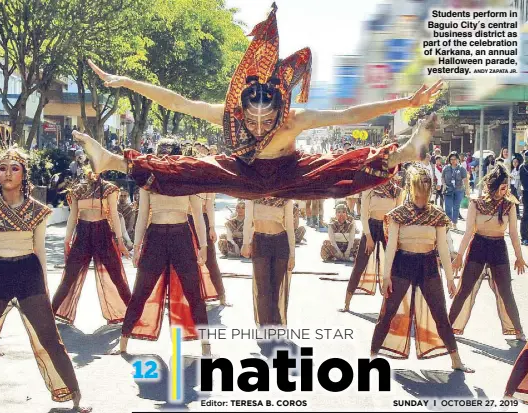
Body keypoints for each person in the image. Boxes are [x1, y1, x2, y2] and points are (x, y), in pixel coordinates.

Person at [73, 4, 442, 201]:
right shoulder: (228, 114)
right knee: (188, 168)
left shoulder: (295, 120)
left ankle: (402, 154)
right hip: (242, 171)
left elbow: (349, 114)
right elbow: (178, 102)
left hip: (291, 172)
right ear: (241, 111)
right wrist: (126, 82)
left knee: (336, 168)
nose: (261, 126)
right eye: (254, 121)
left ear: (280, 110)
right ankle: (112, 161)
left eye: (269, 120)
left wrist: (406, 100)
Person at [0, 148, 91, 412]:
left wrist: (45, 285)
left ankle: (76, 395)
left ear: (24, 174)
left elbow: (40, 250)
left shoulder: (37, 210)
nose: (8, 173)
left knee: (50, 338)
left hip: (29, 274)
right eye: (3, 168)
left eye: (15, 168)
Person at [111, 140, 211, 356]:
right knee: (141, 290)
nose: (165, 160)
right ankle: (123, 341)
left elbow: (198, 215)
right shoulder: (148, 181)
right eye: (161, 156)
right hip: (155, 237)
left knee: (193, 290)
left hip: (181, 236)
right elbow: (142, 216)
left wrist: (203, 246)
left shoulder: (188, 180)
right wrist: (137, 246)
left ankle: (206, 345)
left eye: (169, 156)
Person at [370, 166, 473, 372]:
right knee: (388, 312)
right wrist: (386, 275)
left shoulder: (437, 215)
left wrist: (450, 279)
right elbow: (391, 247)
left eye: (426, 194)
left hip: (428, 266)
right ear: (411, 189)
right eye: (419, 194)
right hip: (402, 264)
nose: (422, 199)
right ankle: (373, 356)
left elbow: (443, 248)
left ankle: (455, 359)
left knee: (440, 314)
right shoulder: (398, 215)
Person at [450, 164, 526, 341]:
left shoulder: (510, 205)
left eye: (507, 187)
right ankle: (448, 325)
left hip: (498, 247)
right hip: (478, 246)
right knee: (465, 289)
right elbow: (469, 231)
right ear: (493, 185)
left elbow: (514, 233)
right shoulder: (476, 203)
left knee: (506, 290)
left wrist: (519, 257)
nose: (505, 190)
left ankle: (518, 330)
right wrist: (459, 256)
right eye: (502, 187)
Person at [51, 169, 132, 325]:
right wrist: (66, 240)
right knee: (69, 276)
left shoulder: (109, 189)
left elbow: (114, 215)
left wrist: (120, 241)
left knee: (116, 276)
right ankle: (50, 313)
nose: (92, 172)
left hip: (103, 232)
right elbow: (73, 216)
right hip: (82, 233)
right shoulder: (77, 189)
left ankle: (133, 314)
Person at [342, 176, 403, 312]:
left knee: (394, 266)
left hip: (389, 228)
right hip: (371, 226)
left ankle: (394, 307)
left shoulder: (397, 191)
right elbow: (363, 215)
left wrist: (396, 238)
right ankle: (347, 302)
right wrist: (368, 237)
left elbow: (398, 216)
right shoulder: (370, 189)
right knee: (360, 264)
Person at [242, 197, 295, 326]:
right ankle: (264, 325)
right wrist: (245, 243)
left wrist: (292, 254)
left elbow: (289, 226)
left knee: (275, 287)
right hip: (260, 242)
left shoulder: (285, 199)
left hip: (280, 243)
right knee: (262, 288)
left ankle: (276, 324)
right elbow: (248, 220)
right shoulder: (253, 197)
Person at [442, 151, 469, 229]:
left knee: (456, 207)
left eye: (455, 159)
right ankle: (449, 221)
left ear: (458, 159)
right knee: (448, 207)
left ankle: (454, 223)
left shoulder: (462, 169)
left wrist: (467, 190)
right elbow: (443, 177)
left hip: (459, 190)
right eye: (451, 159)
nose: (453, 161)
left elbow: (465, 180)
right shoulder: (446, 168)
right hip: (448, 190)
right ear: (449, 160)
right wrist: (443, 184)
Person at [520, 150, 528, 245]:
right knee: (526, 215)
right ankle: (524, 237)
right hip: (526, 193)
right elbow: (524, 183)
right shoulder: (523, 167)